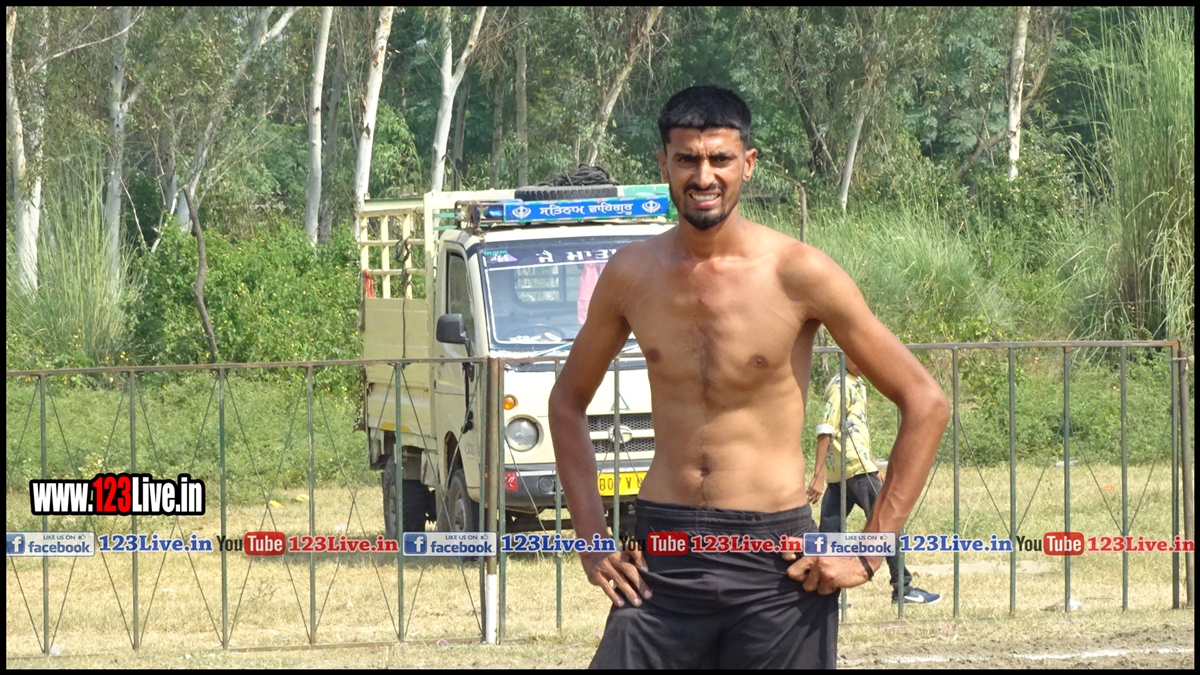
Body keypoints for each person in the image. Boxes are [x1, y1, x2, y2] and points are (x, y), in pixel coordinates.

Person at [548, 86, 949, 669]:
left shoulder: (798, 271)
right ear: (663, 164)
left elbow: (925, 401)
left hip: (777, 562)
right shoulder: (632, 273)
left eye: (720, 159)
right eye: (687, 159)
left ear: (748, 164)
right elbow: (566, 403)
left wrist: (870, 548)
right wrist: (590, 539)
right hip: (662, 557)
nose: (703, 176)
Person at [807, 353, 941, 605]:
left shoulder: (857, 383)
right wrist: (818, 475)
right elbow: (826, 428)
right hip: (853, 469)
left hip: (851, 468)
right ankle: (902, 588)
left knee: (829, 534)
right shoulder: (840, 385)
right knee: (886, 525)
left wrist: (871, 463)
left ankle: (822, 591)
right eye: (856, 356)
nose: (863, 362)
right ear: (844, 354)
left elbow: (853, 429)